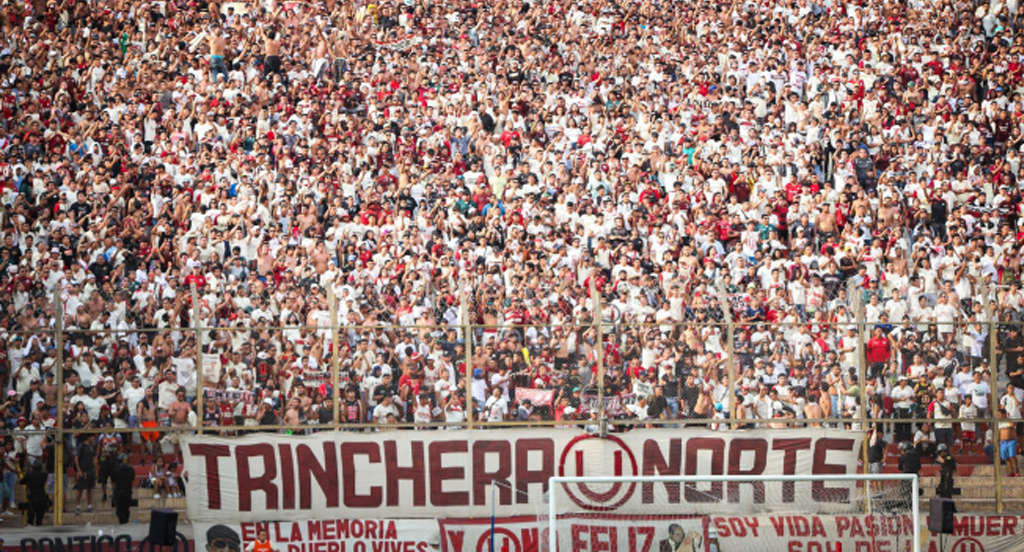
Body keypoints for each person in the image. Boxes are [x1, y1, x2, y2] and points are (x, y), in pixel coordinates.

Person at [21, 461, 49, 526]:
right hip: (42, 496)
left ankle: (30, 525)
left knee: (31, 515)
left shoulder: (29, 474)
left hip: (32, 497)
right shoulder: (44, 474)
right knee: (39, 518)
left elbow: (22, 482)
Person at [111, 454, 136, 524]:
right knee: (126, 508)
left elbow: (114, 481)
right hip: (128, 491)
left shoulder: (116, 470)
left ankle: (122, 520)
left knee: (119, 508)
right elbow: (132, 478)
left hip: (119, 491)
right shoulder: (131, 470)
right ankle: (125, 520)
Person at [998, 409, 1020, 478]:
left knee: (1012, 456)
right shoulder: (999, 422)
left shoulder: (1010, 420)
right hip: (1003, 442)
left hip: (1011, 441)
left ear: (1004, 414)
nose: (999, 416)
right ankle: (1011, 471)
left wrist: (1008, 417)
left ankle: (1016, 470)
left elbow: (1013, 424)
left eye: (1000, 414)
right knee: (1006, 457)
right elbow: (998, 431)